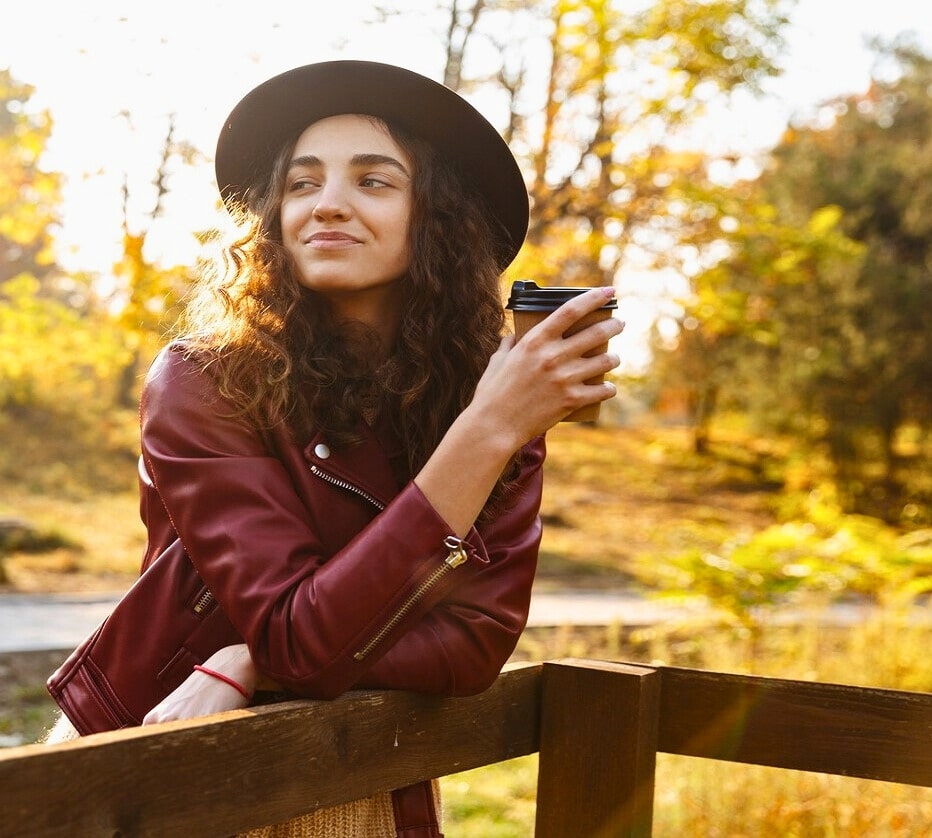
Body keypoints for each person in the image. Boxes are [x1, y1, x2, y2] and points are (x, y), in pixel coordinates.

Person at [47, 60, 624, 837]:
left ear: (437, 217)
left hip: (369, 780)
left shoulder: (489, 393)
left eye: (374, 182)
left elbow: (473, 646)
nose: (328, 205)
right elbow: (298, 633)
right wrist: (486, 433)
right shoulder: (206, 381)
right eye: (302, 182)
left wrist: (250, 660)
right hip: (172, 765)